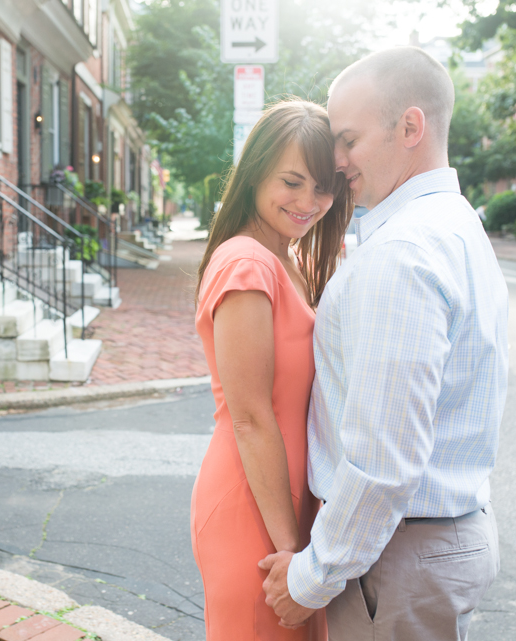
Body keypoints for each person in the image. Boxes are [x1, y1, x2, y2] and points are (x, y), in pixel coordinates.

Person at [260, 46, 509, 640]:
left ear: (410, 127)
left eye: (348, 139)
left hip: (397, 561)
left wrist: (310, 578)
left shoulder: (403, 251)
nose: (337, 161)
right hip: (427, 544)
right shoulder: (456, 223)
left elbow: (383, 461)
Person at [192, 99, 353, 640]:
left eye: (324, 186)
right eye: (292, 181)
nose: (309, 202)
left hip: (289, 504)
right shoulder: (247, 263)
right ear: (256, 172)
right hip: (255, 511)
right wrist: (291, 550)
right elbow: (251, 417)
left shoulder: (288, 258)